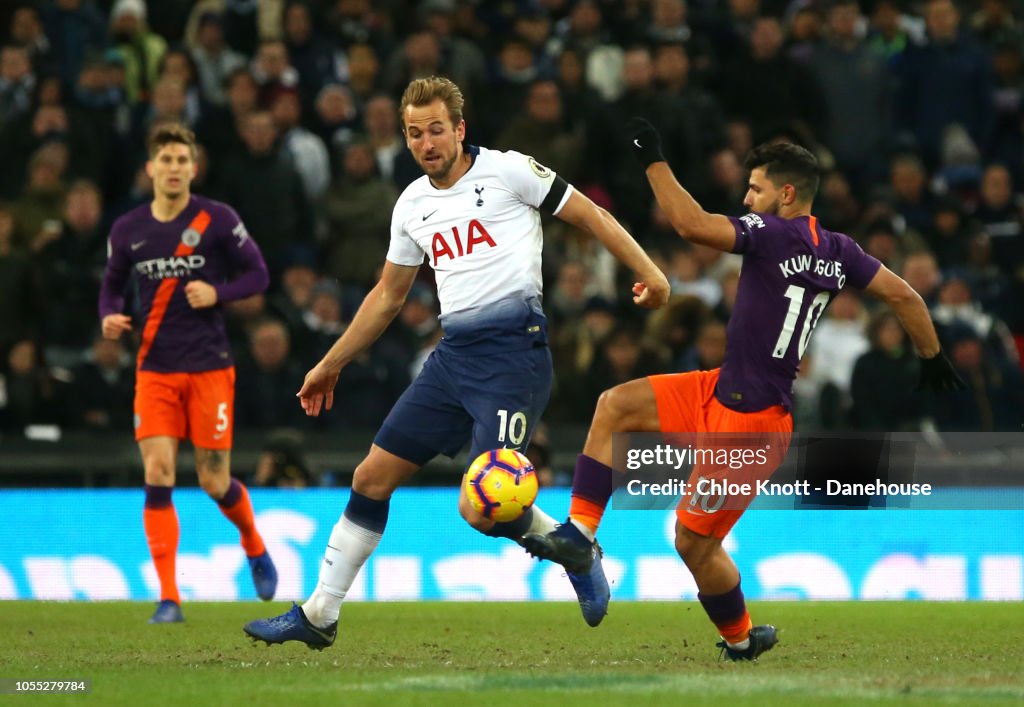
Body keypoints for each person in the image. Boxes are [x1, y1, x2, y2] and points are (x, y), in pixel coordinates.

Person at [244, 76, 670, 649]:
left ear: (460, 129)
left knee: (482, 503)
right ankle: (320, 615)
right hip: (452, 362)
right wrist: (330, 363)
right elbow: (388, 297)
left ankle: (577, 549)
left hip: (513, 357)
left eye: (436, 130)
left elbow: (592, 216)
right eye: (415, 133)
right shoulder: (411, 204)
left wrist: (651, 272)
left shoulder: (510, 170)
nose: (427, 143)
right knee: (370, 477)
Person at [524, 121, 965, 661]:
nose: (745, 198)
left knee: (693, 542)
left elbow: (689, 225)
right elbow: (907, 298)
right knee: (615, 405)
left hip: (751, 422)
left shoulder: (773, 233)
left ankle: (739, 638)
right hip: (723, 389)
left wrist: (652, 158)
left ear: (786, 194)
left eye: (753, 189)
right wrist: (932, 356)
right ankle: (581, 536)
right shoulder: (840, 249)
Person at [98, 123, 278, 624]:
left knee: (213, 480)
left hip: (209, 368)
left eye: (182, 160)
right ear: (150, 169)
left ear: (193, 168)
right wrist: (108, 316)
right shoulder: (127, 229)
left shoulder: (217, 219)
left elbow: (258, 274)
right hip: (154, 369)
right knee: (157, 472)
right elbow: (111, 286)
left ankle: (253, 542)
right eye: (166, 159)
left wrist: (217, 293)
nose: (174, 167)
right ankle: (169, 598)